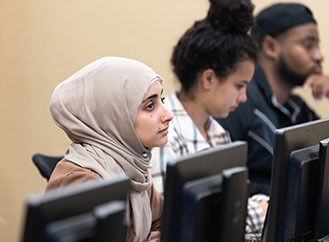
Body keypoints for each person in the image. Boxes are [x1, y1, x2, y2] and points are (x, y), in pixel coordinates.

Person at [217, 3, 329, 196]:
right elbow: (222, 186)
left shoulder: (297, 108)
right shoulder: (239, 102)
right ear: (270, 47)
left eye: (317, 46)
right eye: (308, 45)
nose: (319, 55)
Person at [151, 0, 268, 234]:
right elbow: (176, 221)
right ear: (208, 79)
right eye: (239, 86)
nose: (244, 97)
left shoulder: (216, 132)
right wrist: (261, 210)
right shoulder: (164, 136)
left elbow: (230, 205)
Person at [46, 56, 174, 242]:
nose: (168, 114)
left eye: (161, 99)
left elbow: (163, 224)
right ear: (115, 116)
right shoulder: (83, 182)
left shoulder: (133, 165)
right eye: (150, 106)